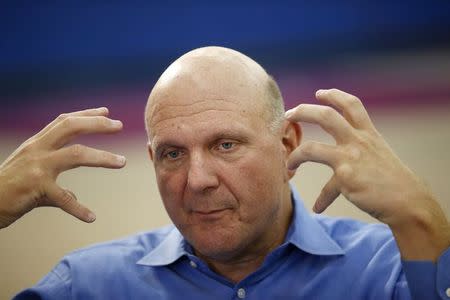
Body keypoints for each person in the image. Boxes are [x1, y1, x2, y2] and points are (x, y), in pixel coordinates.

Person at [2, 46, 448, 299]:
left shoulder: (388, 271)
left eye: (225, 145)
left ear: (288, 143)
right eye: (173, 154)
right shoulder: (86, 289)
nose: (197, 180)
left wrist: (422, 217)